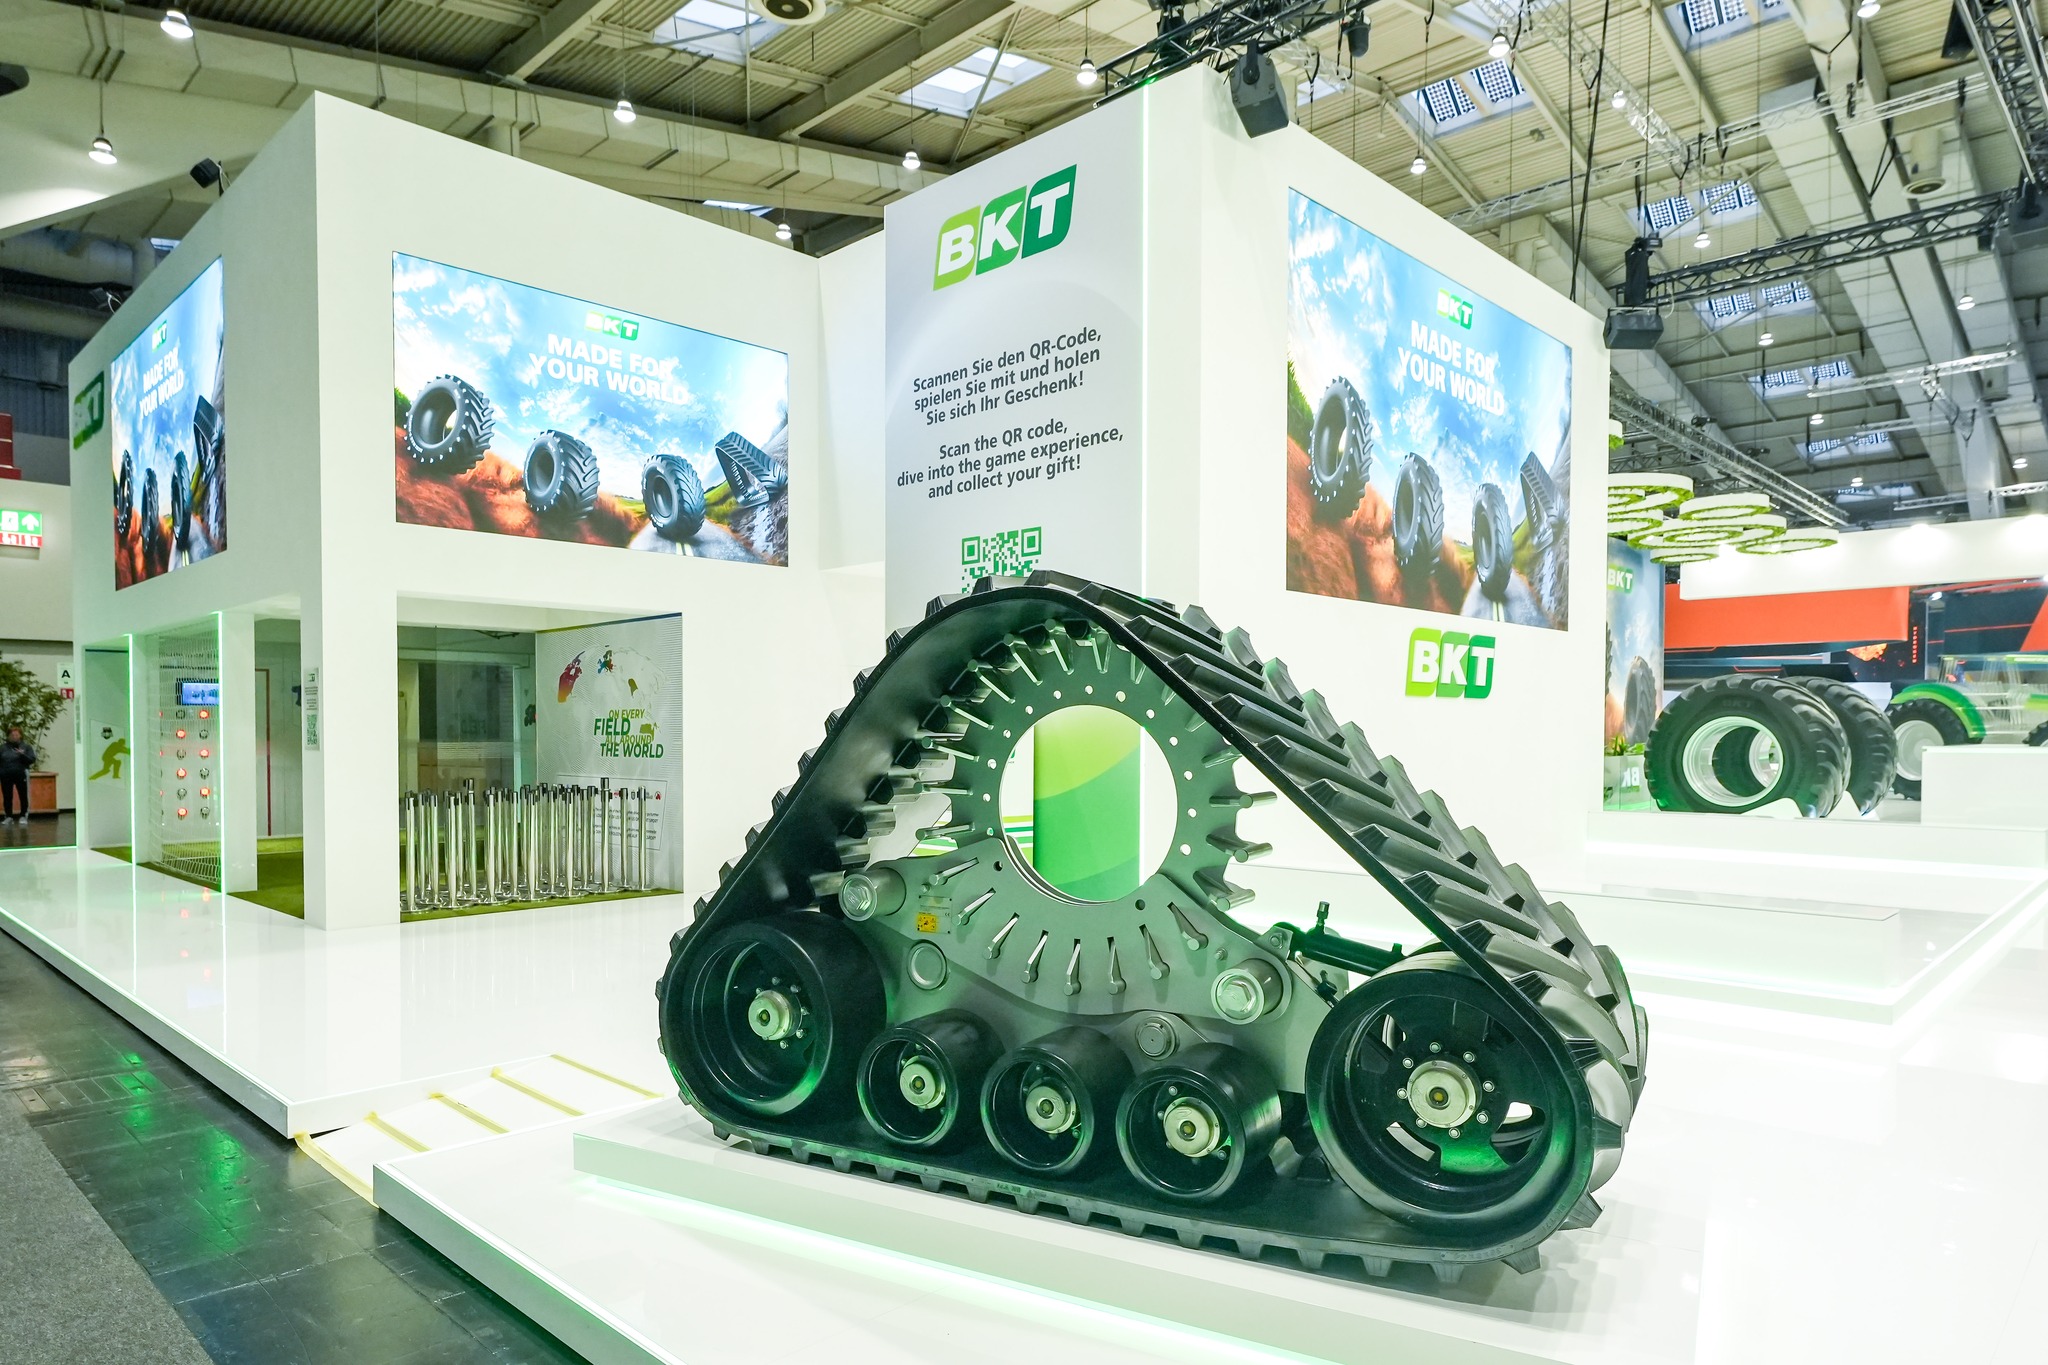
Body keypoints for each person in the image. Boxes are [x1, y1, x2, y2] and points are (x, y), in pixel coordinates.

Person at [0, 727, 34, 825]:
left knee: (23, 795)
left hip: (21, 774)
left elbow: (31, 760)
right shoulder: (2, 748)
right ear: (8, 736)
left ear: (20, 735)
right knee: (7, 796)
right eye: (12, 735)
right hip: (6, 775)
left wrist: (22, 755)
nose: (14, 737)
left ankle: (23, 816)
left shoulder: (26, 747)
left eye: (16, 735)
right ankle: (8, 817)